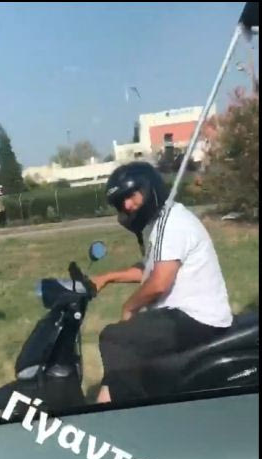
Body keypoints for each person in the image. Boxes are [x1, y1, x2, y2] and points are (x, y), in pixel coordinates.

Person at [91, 161, 232, 403]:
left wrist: (129, 307)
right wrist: (107, 277)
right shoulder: (161, 222)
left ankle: (129, 409)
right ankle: (114, 398)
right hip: (184, 313)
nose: (127, 205)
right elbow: (148, 270)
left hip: (198, 317)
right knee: (125, 344)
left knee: (116, 338)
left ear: (149, 189)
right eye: (122, 201)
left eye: (131, 196)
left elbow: (159, 283)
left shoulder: (173, 223)